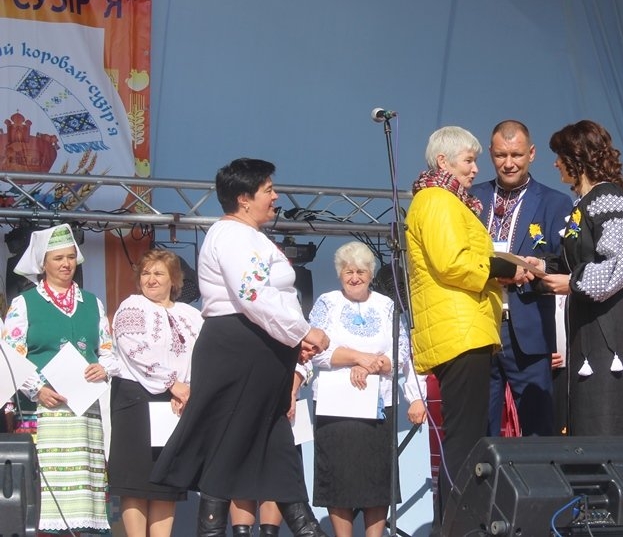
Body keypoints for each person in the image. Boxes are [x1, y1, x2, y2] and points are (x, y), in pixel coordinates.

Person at [150, 158, 331, 537]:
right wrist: (302, 331)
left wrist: (290, 340)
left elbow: (271, 296)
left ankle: (307, 528)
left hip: (261, 347)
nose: (276, 196)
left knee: (277, 445)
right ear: (244, 199)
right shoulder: (231, 235)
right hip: (239, 347)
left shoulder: (252, 237)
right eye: (268, 190)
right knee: (229, 444)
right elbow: (252, 294)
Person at [404, 126, 525, 527]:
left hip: (462, 327)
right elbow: (451, 262)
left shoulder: (444, 200)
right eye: (469, 161)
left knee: (466, 439)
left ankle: (455, 524)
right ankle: (458, 526)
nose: (476, 169)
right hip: (459, 330)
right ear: (443, 161)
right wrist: (502, 268)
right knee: (464, 443)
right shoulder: (437, 199)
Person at [526, 120, 623, 436]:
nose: (555, 163)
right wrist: (541, 265)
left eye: (560, 156)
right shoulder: (584, 202)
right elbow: (575, 260)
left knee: (603, 414)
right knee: (585, 415)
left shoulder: (608, 197)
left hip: (608, 324)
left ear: (576, 157)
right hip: (589, 320)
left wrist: (573, 284)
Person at [1, 223, 117, 533]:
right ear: (43, 263)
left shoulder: (92, 303)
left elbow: (108, 351)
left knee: (84, 498)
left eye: (70, 257)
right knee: (43, 499)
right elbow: (11, 356)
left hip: (84, 413)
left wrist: (103, 368)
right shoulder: (24, 303)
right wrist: (37, 389)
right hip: (43, 412)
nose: (66, 264)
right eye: (58, 258)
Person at [308, 241, 428, 537]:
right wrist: (357, 357)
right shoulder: (327, 302)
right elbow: (315, 351)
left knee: (377, 479)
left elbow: (402, 351)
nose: (354, 278)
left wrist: (376, 366)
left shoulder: (385, 305)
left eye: (360, 271)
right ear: (339, 274)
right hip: (336, 408)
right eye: (348, 271)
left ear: (371, 274)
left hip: (378, 407)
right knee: (338, 478)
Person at [469, 120, 572, 437]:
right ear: (490, 153)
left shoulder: (555, 202)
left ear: (532, 153)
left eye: (516, 155)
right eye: (501, 155)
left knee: (537, 427)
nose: (508, 163)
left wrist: (535, 267)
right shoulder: (472, 198)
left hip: (528, 327)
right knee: (479, 429)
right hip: (479, 324)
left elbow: (564, 261)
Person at [110, 249, 204, 537]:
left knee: (167, 481)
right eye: (146, 273)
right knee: (136, 481)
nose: (151, 279)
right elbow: (133, 348)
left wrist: (188, 389)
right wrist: (172, 382)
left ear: (173, 279)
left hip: (177, 402)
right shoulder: (132, 306)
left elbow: (202, 356)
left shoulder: (191, 315)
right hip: (136, 399)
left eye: (158, 273)